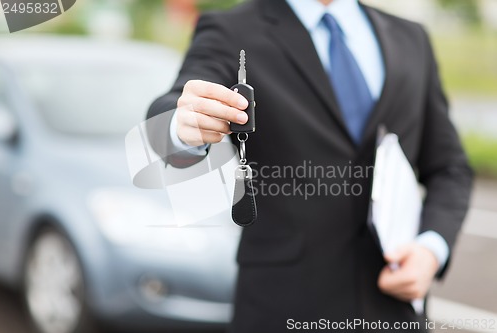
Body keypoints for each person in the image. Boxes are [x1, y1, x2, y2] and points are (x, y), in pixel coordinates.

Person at [147, 0, 473, 331]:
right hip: (283, 307)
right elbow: (164, 123)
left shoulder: (412, 37)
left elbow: (450, 168)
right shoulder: (231, 30)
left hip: (394, 310)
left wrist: (431, 249)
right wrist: (180, 126)